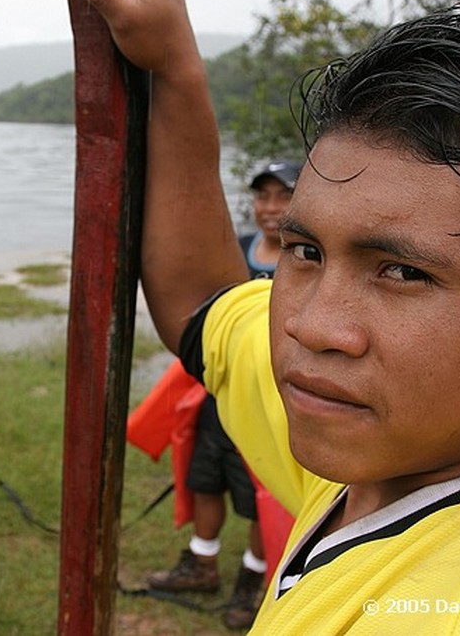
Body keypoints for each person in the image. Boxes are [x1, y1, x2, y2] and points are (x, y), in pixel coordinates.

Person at [70, 0, 460, 633]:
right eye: (306, 251)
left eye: (403, 273)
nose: (311, 326)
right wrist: (173, 65)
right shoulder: (394, 453)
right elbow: (202, 300)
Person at [145, 160, 299, 631]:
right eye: (263, 197)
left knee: (263, 495)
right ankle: (202, 563)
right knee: (204, 479)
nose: (270, 209)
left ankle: (252, 583)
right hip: (220, 398)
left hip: (273, 406)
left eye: (283, 197)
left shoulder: (307, 260)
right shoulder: (236, 250)